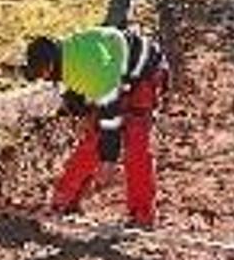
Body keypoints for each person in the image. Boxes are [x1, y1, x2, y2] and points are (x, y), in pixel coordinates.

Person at [23, 27, 169, 229]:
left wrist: (108, 161)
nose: (42, 79)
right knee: (93, 140)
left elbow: (111, 119)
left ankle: (142, 216)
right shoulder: (67, 62)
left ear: (49, 65)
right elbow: (83, 101)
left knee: (136, 145)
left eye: (41, 74)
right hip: (116, 74)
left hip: (145, 72)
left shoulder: (91, 69)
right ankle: (65, 201)